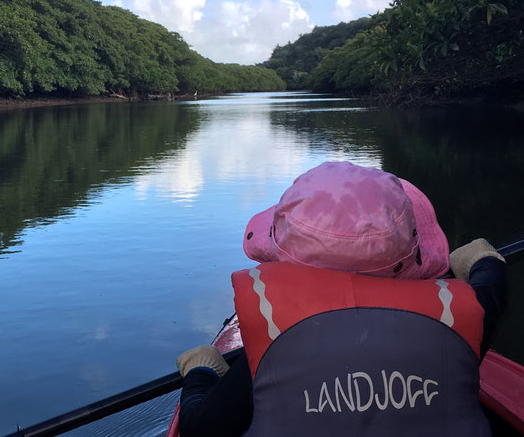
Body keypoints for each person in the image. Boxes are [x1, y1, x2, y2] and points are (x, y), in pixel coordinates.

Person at [176, 161, 507, 436]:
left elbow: (201, 429)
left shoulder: (276, 348)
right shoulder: (462, 321)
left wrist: (201, 372)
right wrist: (483, 261)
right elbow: (492, 290)